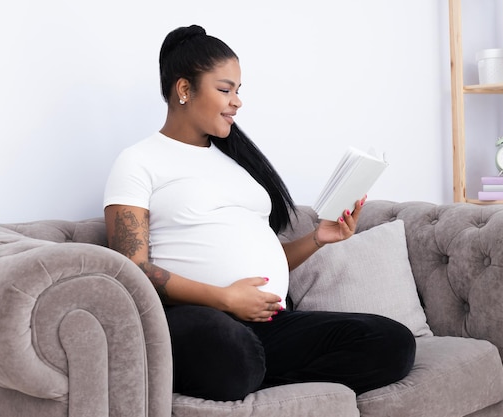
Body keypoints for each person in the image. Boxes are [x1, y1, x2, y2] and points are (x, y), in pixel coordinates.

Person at [103, 24, 415, 401]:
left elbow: (263, 262)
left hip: (266, 323)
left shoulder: (235, 164)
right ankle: (248, 371)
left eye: (238, 90)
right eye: (225, 89)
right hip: (194, 318)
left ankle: (257, 377)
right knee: (231, 352)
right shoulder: (138, 161)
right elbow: (131, 269)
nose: (237, 101)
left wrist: (318, 238)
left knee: (392, 342)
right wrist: (225, 298)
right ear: (184, 89)